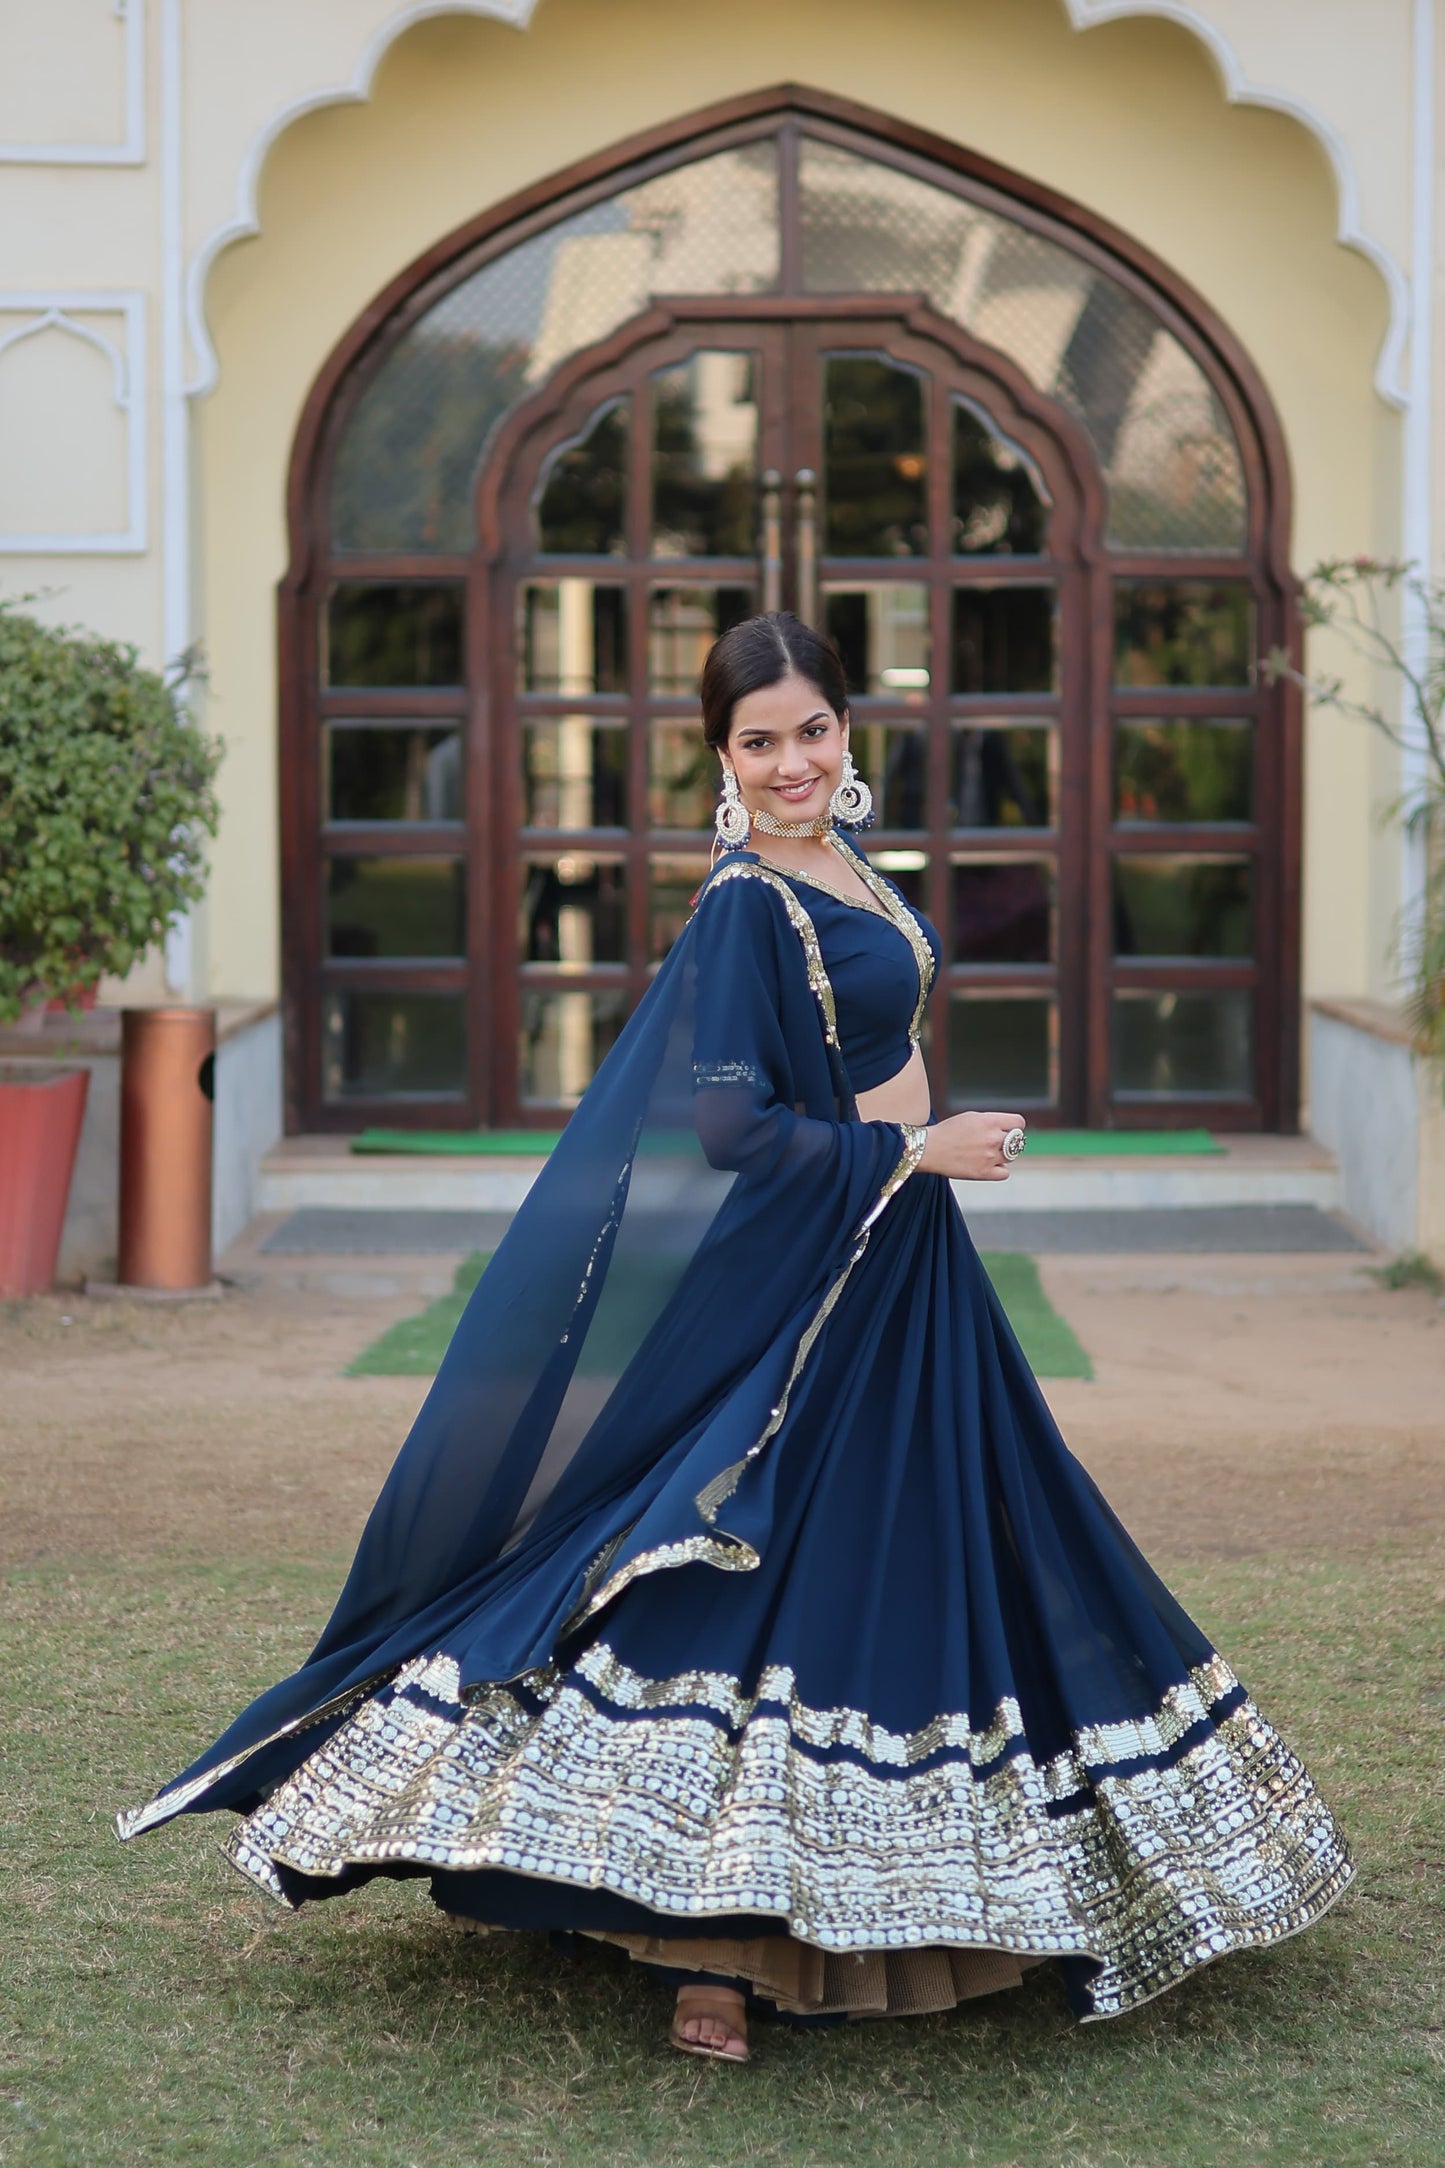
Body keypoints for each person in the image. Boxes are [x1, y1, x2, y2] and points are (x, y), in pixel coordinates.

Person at [119, 613, 1351, 2064]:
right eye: (757, 742)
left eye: (811, 731)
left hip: (905, 1264)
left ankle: (949, 1894)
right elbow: (730, 1129)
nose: (790, 763)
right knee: (759, 1579)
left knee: (928, 1563)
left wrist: (921, 1158)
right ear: (719, 757)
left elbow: (878, 1048)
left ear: (849, 732)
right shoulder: (743, 908)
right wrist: (915, 1151)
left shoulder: (850, 875)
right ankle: (710, 1947)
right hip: (822, 1271)